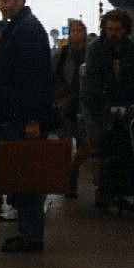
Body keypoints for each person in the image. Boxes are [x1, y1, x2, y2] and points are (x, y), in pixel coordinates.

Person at [0, 0, 53, 253]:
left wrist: (32, 120)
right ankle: (27, 232)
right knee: (21, 176)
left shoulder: (27, 30)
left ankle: (31, 236)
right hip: (15, 117)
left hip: (21, 119)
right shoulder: (20, 27)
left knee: (26, 177)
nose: (2, 5)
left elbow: (34, 79)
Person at [80, 9, 134, 197]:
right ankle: (103, 188)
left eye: (117, 29)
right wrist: (99, 104)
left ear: (125, 30)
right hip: (101, 106)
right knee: (101, 146)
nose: (113, 33)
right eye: (110, 29)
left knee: (129, 145)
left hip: (129, 105)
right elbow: (91, 81)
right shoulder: (96, 50)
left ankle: (125, 184)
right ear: (104, 29)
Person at [51, 19, 89, 197]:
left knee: (85, 144)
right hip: (66, 105)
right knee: (64, 145)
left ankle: (72, 170)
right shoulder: (61, 54)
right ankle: (69, 179)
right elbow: (51, 76)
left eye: (79, 30)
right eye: (73, 30)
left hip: (85, 105)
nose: (76, 33)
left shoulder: (92, 53)